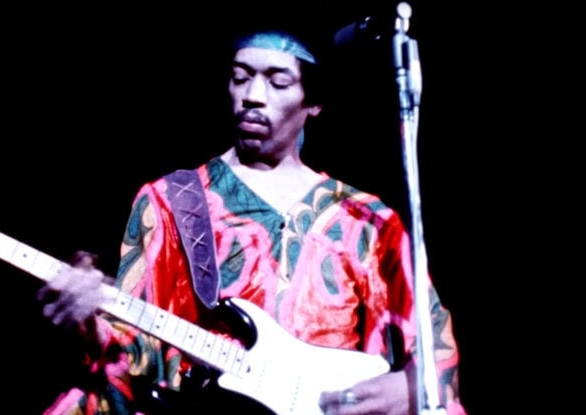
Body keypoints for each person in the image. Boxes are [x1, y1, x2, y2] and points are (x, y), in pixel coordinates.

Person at [38, 26, 467, 415]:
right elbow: (135, 354)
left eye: (278, 82)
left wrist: (413, 387)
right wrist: (90, 322)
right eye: (240, 77)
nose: (253, 95)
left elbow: (433, 341)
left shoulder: (367, 220)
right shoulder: (169, 201)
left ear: (314, 101)